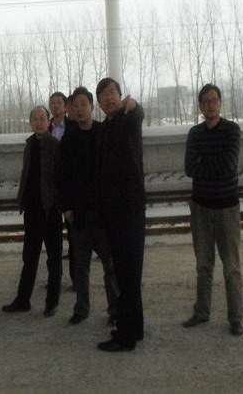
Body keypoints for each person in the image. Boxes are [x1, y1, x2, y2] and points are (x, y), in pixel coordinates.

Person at [182, 83, 243, 337]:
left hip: (227, 208)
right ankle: (201, 311)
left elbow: (228, 164)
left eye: (214, 100)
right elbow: (189, 168)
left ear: (220, 103)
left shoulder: (232, 130)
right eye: (205, 102)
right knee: (203, 264)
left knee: (231, 267)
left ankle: (236, 318)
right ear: (200, 106)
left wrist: (203, 161)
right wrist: (210, 162)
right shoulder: (195, 133)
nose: (210, 105)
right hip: (200, 208)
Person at [59, 87, 119, 326]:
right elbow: (63, 176)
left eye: (84, 104)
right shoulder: (68, 139)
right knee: (81, 266)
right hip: (79, 214)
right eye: (75, 106)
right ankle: (81, 308)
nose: (79, 109)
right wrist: (66, 207)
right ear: (70, 110)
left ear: (93, 107)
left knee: (110, 265)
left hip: (104, 213)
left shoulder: (104, 133)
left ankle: (115, 309)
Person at [94, 77, 145, 352]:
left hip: (130, 210)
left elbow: (138, 113)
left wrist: (134, 105)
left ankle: (126, 338)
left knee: (128, 274)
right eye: (103, 95)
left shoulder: (127, 118)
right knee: (125, 275)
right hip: (113, 214)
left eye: (112, 92)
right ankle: (134, 328)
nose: (109, 98)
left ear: (121, 96)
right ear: (99, 104)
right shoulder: (105, 128)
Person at [2, 106, 63, 318]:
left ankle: (52, 302)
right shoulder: (29, 145)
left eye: (42, 118)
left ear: (48, 121)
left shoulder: (55, 145)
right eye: (34, 119)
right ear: (30, 123)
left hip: (51, 210)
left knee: (54, 258)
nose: (38, 122)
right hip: (32, 209)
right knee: (29, 257)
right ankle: (23, 300)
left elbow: (60, 178)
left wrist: (57, 202)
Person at [49, 91, 78, 290]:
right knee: (53, 239)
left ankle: (76, 279)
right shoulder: (45, 127)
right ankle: (55, 280)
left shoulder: (73, 127)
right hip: (52, 189)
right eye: (53, 103)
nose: (56, 106)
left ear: (66, 106)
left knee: (74, 238)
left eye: (59, 102)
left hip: (69, 187)